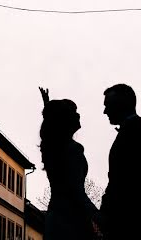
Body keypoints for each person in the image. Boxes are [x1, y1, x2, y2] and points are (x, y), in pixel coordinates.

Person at [100, 83, 141, 240]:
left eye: (108, 105)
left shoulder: (133, 136)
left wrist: (106, 215)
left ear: (122, 104)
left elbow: (120, 183)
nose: (105, 111)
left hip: (130, 226)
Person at [39, 87, 100, 240]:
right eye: (73, 112)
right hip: (71, 219)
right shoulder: (71, 150)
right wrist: (98, 216)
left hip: (57, 216)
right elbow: (76, 192)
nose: (78, 114)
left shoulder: (54, 149)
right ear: (64, 120)